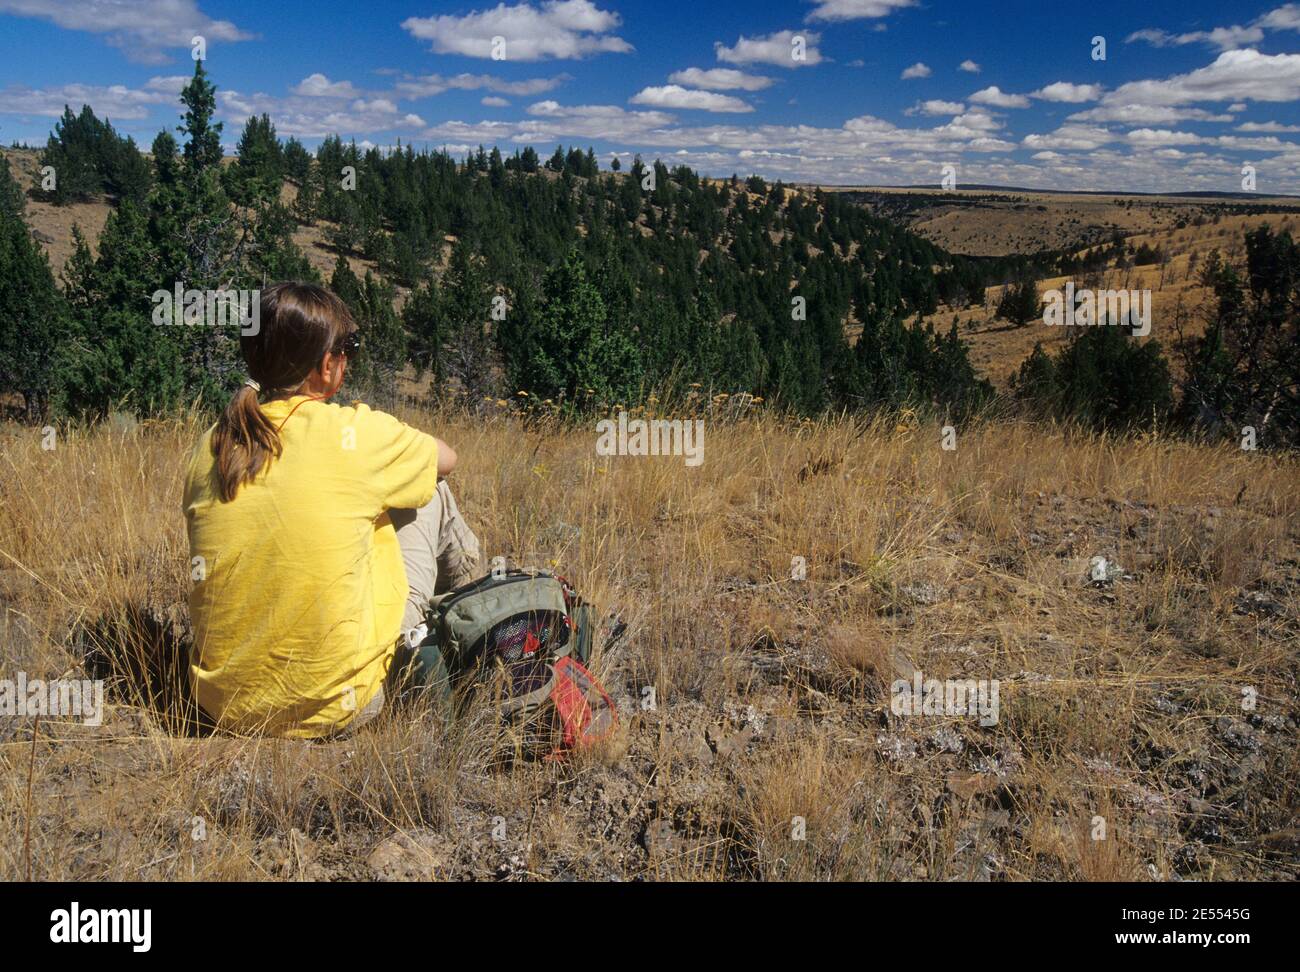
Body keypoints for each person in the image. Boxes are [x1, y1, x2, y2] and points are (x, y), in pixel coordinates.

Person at [183, 282, 480, 738]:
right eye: (349, 347)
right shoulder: (355, 433)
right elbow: (448, 458)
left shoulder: (213, 445)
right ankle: (477, 621)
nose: (350, 357)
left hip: (225, 707)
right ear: (325, 365)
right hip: (341, 704)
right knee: (431, 489)